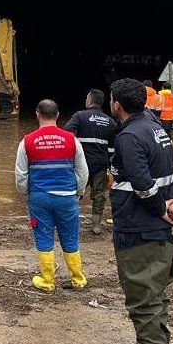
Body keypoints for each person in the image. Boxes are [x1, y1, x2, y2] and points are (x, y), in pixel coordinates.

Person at [107, 78, 173, 344]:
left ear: (117, 104)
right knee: (156, 298)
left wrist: (160, 209)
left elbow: (141, 183)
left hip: (140, 231)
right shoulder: (156, 130)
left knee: (144, 303)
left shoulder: (128, 136)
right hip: (158, 232)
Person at [15, 99, 89, 292]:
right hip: (67, 197)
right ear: (57, 116)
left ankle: (47, 281)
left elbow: (21, 174)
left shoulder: (27, 141)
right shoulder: (72, 140)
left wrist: (26, 193)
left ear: (37, 115)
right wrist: (78, 193)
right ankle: (78, 279)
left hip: (40, 198)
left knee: (43, 237)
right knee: (71, 237)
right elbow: (82, 172)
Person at [65, 89, 118, 235]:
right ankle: (96, 226)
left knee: (75, 193)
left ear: (89, 101)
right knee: (99, 195)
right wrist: (110, 165)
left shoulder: (80, 116)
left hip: (82, 164)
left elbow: (67, 131)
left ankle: (70, 223)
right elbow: (113, 147)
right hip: (101, 164)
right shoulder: (110, 121)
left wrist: (72, 151)